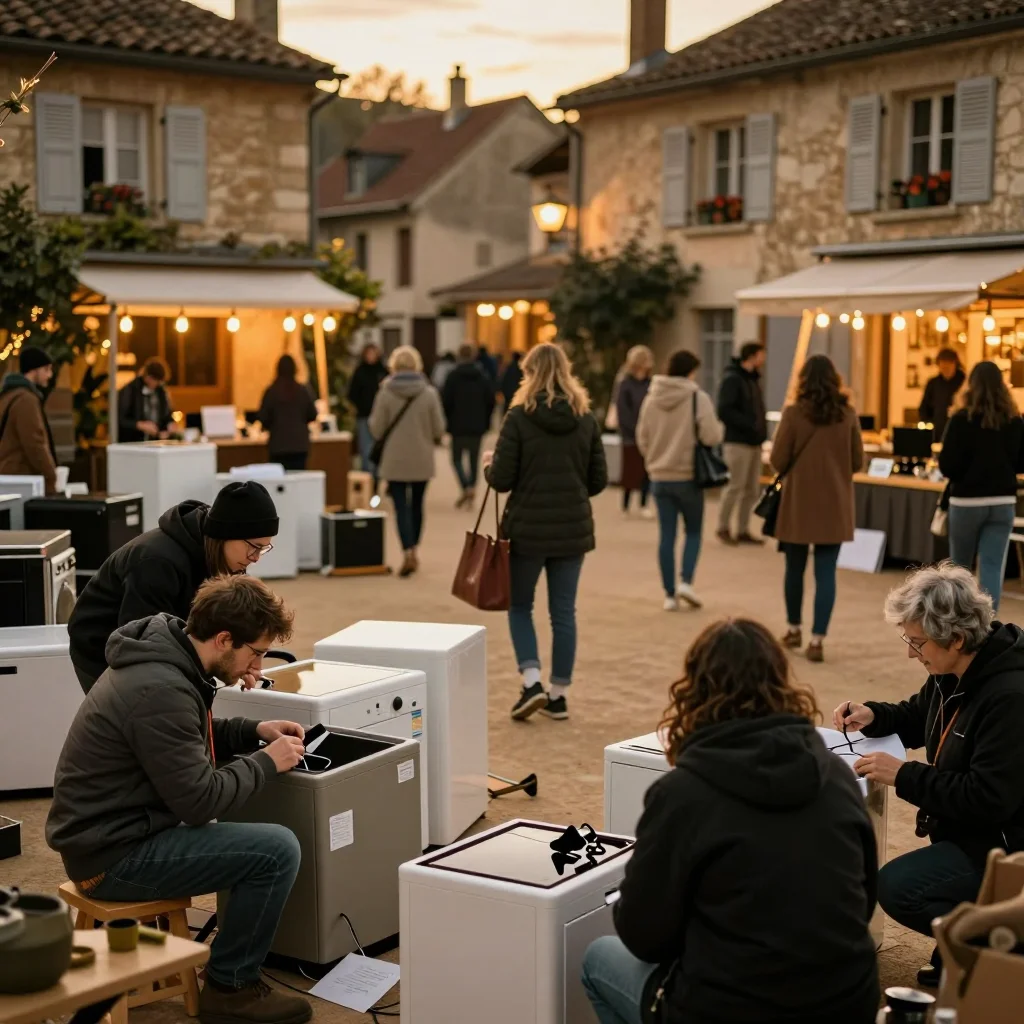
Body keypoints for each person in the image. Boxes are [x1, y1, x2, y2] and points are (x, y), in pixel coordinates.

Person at [583, 619, 879, 1024]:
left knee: (597, 959)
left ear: (694, 692)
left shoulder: (682, 794)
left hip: (728, 1006)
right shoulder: (837, 776)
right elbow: (861, 904)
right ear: (781, 683)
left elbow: (643, 937)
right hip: (846, 1000)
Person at [47, 574, 312, 1024]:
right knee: (276, 850)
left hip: (110, 835)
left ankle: (230, 972)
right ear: (225, 638)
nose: (259, 665)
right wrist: (267, 762)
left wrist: (252, 731)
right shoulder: (161, 689)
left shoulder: (167, 657)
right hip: (110, 858)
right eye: (256, 652)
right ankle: (231, 989)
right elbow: (199, 801)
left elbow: (186, 739)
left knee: (255, 839)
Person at [834, 561, 1024, 988]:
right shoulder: (957, 668)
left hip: (1007, 846)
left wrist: (904, 775)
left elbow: (988, 798)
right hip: (974, 833)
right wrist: (874, 715)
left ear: (956, 638)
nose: (910, 652)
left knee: (899, 889)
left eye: (917, 643)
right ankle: (969, 939)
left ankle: (993, 942)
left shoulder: (1010, 696)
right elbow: (922, 716)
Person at [483, 342, 607, 722]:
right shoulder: (585, 418)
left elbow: (502, 479)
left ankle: (532, 680)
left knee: (521, 605)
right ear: (567, 371)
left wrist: (489, 465)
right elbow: (598, 480)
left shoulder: (519, 416)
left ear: (530, 373)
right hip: (572, 529)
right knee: (563, 612)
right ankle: (559, 694)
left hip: (528, 529)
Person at [68, 481, 279, 693]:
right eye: (254, 547)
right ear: (225, 533)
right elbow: (142, 642)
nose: (256, 558)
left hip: (156, 633)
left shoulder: (225, 557)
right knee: (136, 712)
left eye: (264, 549)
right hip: (100, 644)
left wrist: (238, 662)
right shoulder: (157, 562)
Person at [771, 354, 863, 663]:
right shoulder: (847, 414)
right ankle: (817, 639)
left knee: (793, 568)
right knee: (826, 573)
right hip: (835, 502)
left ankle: (794, 628)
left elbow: (778, 460)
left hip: (798, 501)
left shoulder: (794, 413)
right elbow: (858, 461)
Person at [635, 350, 724, 611]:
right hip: (689, 476)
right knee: (694, 531)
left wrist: (655, 458)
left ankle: (669, 595)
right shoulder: (698, 397)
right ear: (690, 371)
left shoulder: (652, 398)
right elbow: (711, 436)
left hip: (660, 477)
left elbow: (642, 437)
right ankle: (686, 580)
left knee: (666, 535)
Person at [939, 360, 1024, 612]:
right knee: (991, 566)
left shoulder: (960, 419)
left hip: (966, 501)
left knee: (960, 568)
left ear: (971, 386)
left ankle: (959, 624)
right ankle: (987, 629)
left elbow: (947, 466)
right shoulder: (1014, 421)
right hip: (1002, 502)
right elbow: (1021, 462)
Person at [368, 345, 445, 578]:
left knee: (401, 506)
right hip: (422, 459)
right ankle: (415, 548)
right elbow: (439, 428)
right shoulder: (429, 393)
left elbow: (376, 428)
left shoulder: (385, 392)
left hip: (395, 460)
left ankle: (407, 550)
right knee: (418, 504)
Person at [716, 340, 768, 544]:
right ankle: (723, 526)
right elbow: (724, 410)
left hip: (754, 442)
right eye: (761, 354)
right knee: (734, 486)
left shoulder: (753, 380)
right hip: (737, 442)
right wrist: (749, 424)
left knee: (751, 489)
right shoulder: (733, 379)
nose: (763, 359)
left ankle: (743, 529)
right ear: (753, 356)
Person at [442, 343, 496, 509]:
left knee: (456, 459)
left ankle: (465, 486)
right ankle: (471, 487)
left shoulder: (452, 376)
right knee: (473, 459)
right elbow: (491, 401)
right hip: (477, 425)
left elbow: (445, 401)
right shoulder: (482, 376)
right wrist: (486, 419)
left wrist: (448, 419)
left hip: (457, 424)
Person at [0, 345, 58, 493]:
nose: (49, 375)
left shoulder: (8, 395)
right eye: (46, 369)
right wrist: (50, 475)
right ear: (34, 370)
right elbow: (34, 442)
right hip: (22, 480)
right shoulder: (26, 399)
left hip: (8, 478)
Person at [257, 354, 318, 471]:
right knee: (297, 481)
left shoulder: (271, 392)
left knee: (279, 484)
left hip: (278, 445)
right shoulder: (302, 391)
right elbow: (313, 414)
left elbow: (263, 417)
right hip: (300, 445)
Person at [615, 345, 654, 517]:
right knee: (630, 469)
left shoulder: (650, 383)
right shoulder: (625, 383)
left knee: (646, 471)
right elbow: (623, 410)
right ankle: (626, 504)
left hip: (648, 433)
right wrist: (633, 431)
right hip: (630, 435)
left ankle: (644, 504)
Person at [347, 343, 387, 476]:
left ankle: (376, 475)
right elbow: (352, 393)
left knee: (379, 447)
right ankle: (367, 475)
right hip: (364, 415)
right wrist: (360, 405)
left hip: (381, 417)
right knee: (365, 448)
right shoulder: (360, 372)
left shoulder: (382, 371)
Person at [118, 358, 176, 442]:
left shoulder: (160, 391)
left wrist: (170, 424)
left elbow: (166, 415)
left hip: (155, 442)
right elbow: (121, 420)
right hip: (133, 441)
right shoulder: (130, 390)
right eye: (156, 381)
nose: (158, 384)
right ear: (148, 377)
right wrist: (140, 425)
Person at [920, 347, 966, 441]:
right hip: (937, 432)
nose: (946, 369)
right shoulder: (933, 383)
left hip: (959, 432)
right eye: (943, 366)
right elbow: (924, 407)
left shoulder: (964, 382)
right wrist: (928, 425)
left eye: (948, 365)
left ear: (955, 364)